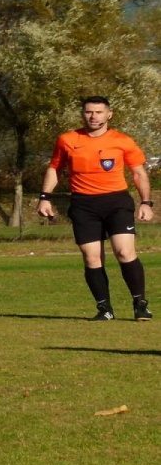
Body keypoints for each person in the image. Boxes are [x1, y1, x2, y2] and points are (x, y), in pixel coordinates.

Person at [37, 95, 153, 321]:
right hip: (83, 204)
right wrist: (45, 197)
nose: (94, 116)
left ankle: (140, 303)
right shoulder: (67, 139)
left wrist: (146, 202)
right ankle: (105, 309)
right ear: (83, 114)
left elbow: (139, 173)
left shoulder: (123, 140)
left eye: (99, 112)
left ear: (109, 114)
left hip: (116, 202)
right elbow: (54, 169)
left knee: (124, 252)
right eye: (89, 112)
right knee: (92, 258)